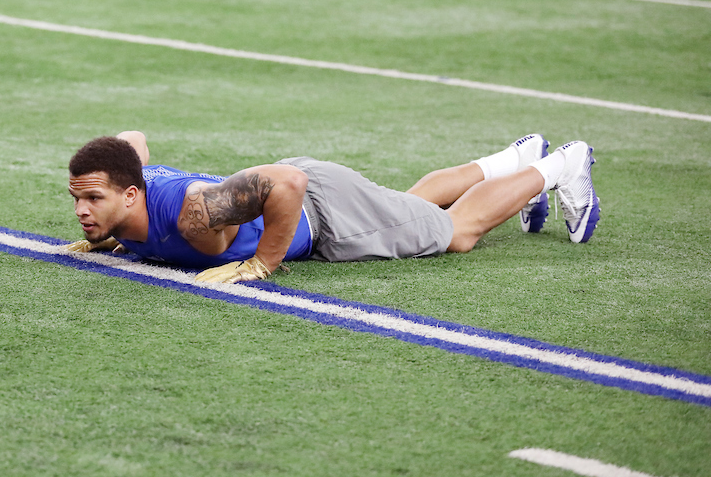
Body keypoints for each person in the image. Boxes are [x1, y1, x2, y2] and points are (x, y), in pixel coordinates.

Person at [66, 131, 599, 284]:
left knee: (455, 230)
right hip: (315, 198)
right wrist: (109, 228)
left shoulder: (193, 213)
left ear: (132, 193)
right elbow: (130, 139)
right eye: (78, 198)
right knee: (407, 206)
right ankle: (514, 157)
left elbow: (289, 182)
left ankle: (561, 167)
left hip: (324, 216)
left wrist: (261, 264)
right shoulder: (127, 184)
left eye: (94, 198)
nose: (83, 211)